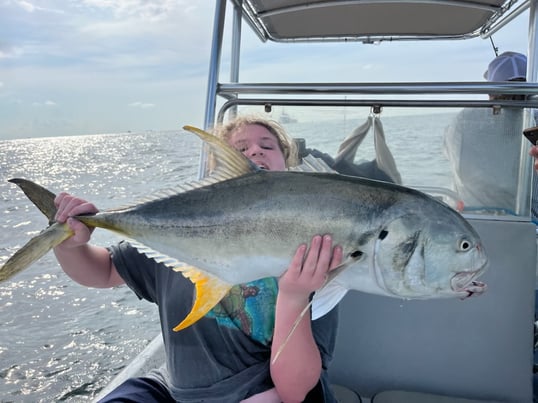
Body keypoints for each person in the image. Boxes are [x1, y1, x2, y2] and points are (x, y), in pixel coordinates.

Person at [53, 115, 343, 403]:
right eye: (240, 150)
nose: (255, 151)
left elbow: (295, 391)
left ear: (288, 165)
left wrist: (295, 295)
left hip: (265, 389)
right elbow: (101, 272)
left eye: (267, 146)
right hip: (175, 390)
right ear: (220, 170)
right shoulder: (179, 229)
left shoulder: (315, 252)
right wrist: (69, 246)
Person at [443, 51, 529, 215]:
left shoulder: (463, 121)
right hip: (529, 224)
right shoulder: (533, 120)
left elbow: (447, 151)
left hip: (472, 222)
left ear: (491, 91)